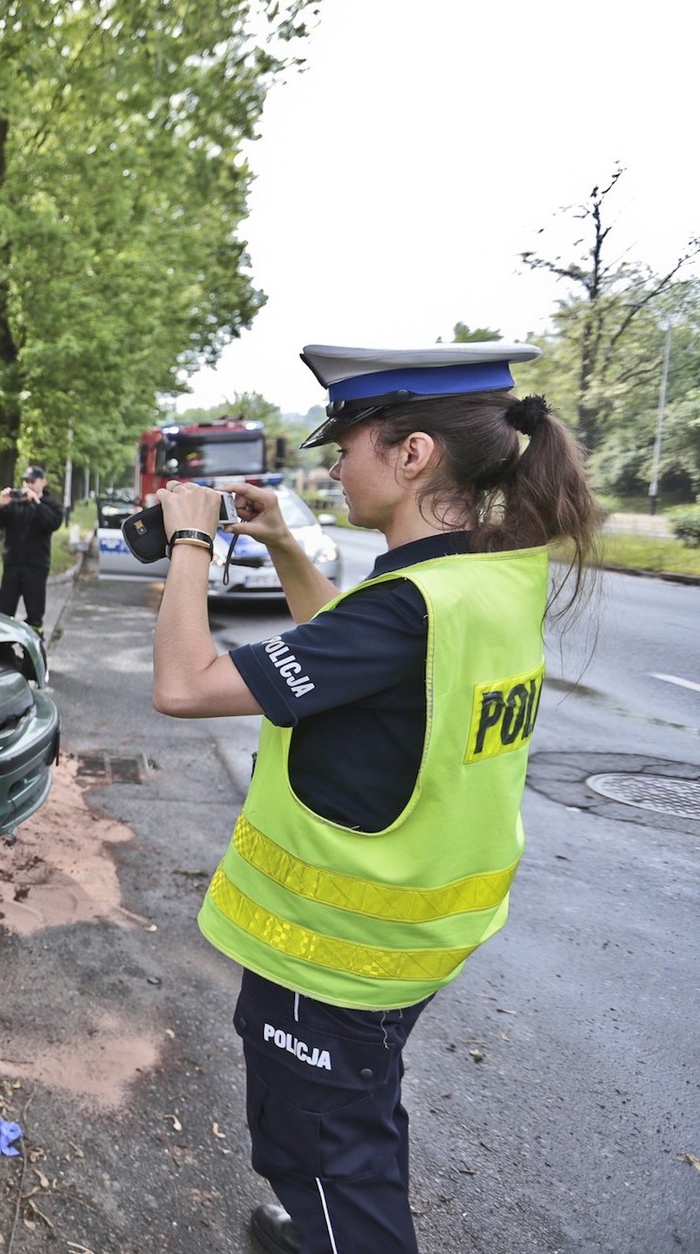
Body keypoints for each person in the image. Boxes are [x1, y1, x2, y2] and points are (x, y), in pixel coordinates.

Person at [147, 343, 599, 1254]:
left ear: (413, 454)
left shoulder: (410, 609)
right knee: (355, 1119)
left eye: (346, 443)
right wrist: (280, 542)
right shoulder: (480, 579)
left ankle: (334, 1225)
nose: (332, 464)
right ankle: (322, 1221)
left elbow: (185, 684)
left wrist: (189, 538)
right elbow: (345, 657)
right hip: (410, 944)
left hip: (337, 958)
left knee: (322, 1158)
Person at [0, 466, 62, 632]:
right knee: (4, 611)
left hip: (36, 566)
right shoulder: (15, 503)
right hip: (12, 564)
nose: (28, 485)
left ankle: (32, 652)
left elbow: (53, 523)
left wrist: (36, 502)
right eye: (26, 481)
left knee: (35, 614)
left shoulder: (50, 505)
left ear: (43, 482)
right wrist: (0, 506)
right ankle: (2, 650)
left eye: (32, 481)